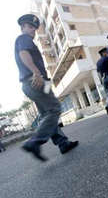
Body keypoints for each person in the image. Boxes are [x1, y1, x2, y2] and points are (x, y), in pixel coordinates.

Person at [14, 14, 78, 162]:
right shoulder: (23, 39)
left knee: (48, 114)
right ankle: (34, 142)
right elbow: (23, 54)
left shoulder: (28, 41)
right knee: (55, 109)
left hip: (41, 82)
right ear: (23, 27)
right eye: (30, 27)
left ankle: (63, 143)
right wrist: (36, 73)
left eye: (34, 28)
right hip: (35, 80)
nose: (33, 31)